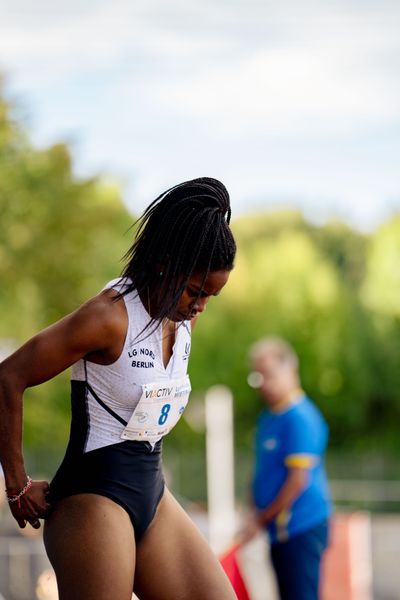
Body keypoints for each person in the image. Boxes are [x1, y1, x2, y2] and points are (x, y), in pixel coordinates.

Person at [0, 177, 237, 600]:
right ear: (167, 262)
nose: (200, 306)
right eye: (196, 291)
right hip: (94, 498)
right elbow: (8, 376)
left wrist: (191, 304)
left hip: (152, 492)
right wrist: (16, 484)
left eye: (211, 297)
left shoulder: (182, 318)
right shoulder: (107, 317)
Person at [242, 336, 331, 600]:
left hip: (300, 527)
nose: (263, 384)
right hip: (277, 531)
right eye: (257, 376)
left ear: (289, 369)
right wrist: (250, 510)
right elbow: (262, 470)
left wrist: (260, 519)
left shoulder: (301, 417)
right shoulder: (269, 417)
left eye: (268, 374)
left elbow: (297, 481)